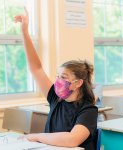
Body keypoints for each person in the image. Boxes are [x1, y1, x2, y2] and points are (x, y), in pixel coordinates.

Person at [14, 9, 98, 150]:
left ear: (78, 83)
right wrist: (25, 32)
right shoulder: (55, 98)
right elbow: (36, 68)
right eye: (57, 76)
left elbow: (72, 140)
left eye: (63, 77)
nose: (58, 81)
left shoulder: (88, 110)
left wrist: (36, 136)